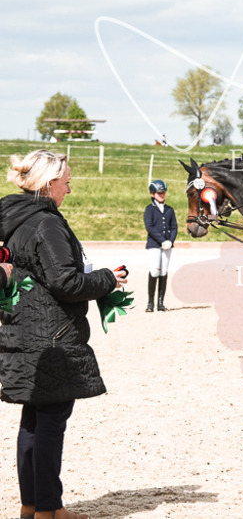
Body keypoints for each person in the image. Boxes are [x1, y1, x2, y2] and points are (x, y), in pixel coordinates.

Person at [0, 149, 128, 519]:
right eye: (67, 182)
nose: (69, 190)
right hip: (51, 333)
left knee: (33, 421)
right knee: (51, 422)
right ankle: (48, 510)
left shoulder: (14, 219)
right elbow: (65, 281)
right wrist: (108, 278)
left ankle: (31, 505)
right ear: (50, 183)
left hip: (21, 329)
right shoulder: (46, 223)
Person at [143, 179, 177, 312]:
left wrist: (171, 240)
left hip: (167, 245)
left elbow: (174, 227)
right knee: (154, 271)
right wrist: (162, 240)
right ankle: (150, 303)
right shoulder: (149, 209)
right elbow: (149, 227)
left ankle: (160, 302)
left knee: (163, 271)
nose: (162, 195)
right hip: (154, 244)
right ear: (152, 194)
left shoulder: (170, 210)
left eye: (163, 193)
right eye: (159, 193)